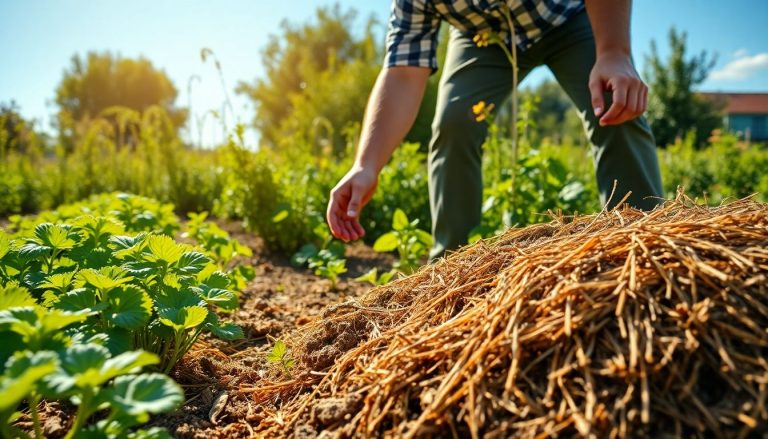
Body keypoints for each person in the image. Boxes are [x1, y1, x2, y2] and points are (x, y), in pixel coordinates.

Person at [326, 0, 663, 260]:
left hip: (570, 16)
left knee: (612, 98)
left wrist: (614, 53)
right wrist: (366, 165)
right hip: (483, 36)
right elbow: (402, 71)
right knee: (455, 121)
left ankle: (646, 240)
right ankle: (451, 268)